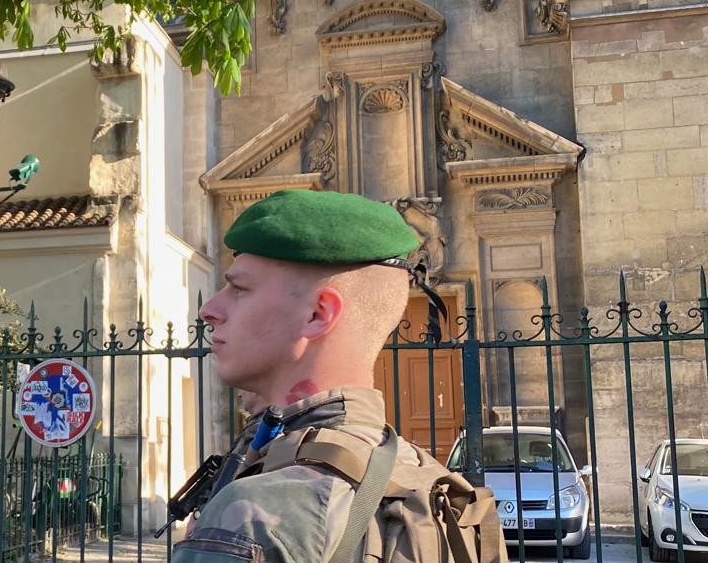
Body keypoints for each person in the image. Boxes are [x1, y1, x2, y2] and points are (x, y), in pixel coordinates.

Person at [172, 188, 505, 563]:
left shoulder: (253, 517)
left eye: (239, 288)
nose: (210, 309)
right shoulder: (439, 490)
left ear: (317, 315)